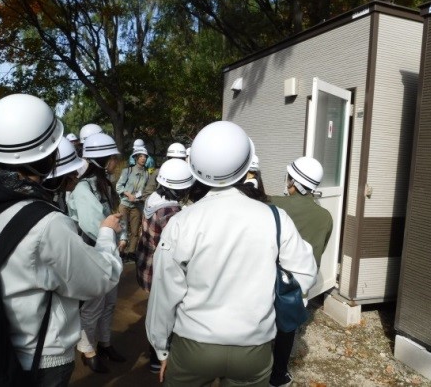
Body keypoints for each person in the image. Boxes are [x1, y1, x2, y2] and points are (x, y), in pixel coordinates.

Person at [0, 93, 123, 386]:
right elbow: (99, 280)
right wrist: (106, 233)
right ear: (46, 158)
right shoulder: (48, 222)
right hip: (39, 358)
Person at [145, 121, 317, 386]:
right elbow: (305, 273)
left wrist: (161, 348)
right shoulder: (275, 218)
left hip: (193, 345)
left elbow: (164, 291)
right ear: (247, 167)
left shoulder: (182, 221)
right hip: (254, 347)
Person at [268, 156, 333, 387]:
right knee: (287, 331)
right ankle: (278, 376)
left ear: (293, 182)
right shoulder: (325, 217)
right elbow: (319, 251)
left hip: (268, 278)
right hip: (298, 286)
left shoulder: (272, 203)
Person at [67, 132, 128, 373]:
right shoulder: (84, 188)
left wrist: (120, 236)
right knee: (93, 306)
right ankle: (87, 349)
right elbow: (94, 225)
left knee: (109, 302)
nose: (115, 162)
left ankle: (105, 343)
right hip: (93, 253)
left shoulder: (102, 184)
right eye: (112, 157)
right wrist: (113, 233)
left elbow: (113, 215)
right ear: (102, 160)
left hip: (107, 250)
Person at [136, 158, 195, 374]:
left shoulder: (154, 198)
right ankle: (157, 358)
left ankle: (154, 354)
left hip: (146, 263)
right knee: (163, 313)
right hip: (159, 268)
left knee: (155, 308)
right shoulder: (171, 213)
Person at [116, 146, 150, 262]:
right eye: (140, 156)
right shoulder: (127, 171)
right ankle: (121, 253)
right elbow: (119, 186)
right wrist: (128, 195)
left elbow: (145, 190)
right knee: (122, 229)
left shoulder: (146, 174)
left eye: (145, 156)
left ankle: (131, 252)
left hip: (137, 205)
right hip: (125, 204)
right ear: (135, 158)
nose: (143, 158)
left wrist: (140, 198)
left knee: (135, 231)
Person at [43, 137, 85, 212]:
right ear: (58, 178)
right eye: (72, 172)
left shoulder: (58, 196)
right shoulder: (44, 204)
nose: (77, 174)